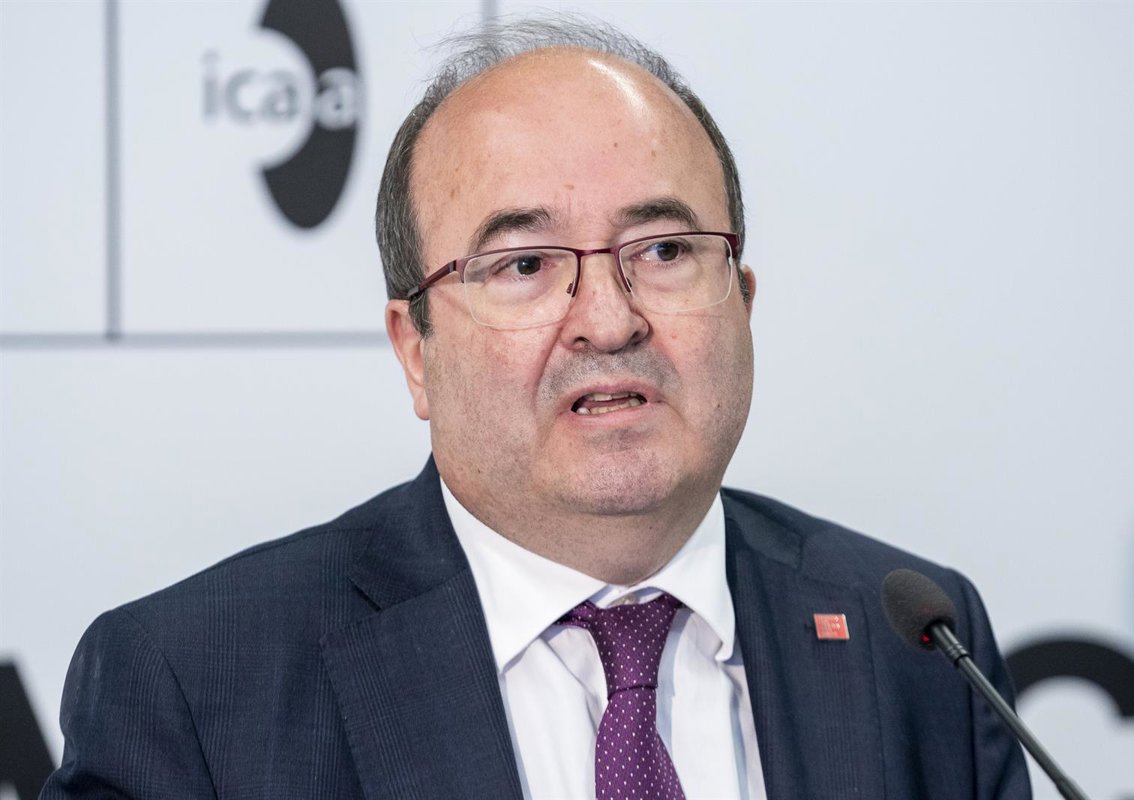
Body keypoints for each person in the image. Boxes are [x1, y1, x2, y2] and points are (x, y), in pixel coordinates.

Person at [43, 16, 1031, 800]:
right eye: (523, 264)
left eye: (665, 251)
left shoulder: (919, 648)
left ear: (744, 300)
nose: (608, 319)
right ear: (415, 349)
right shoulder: (194, 688)